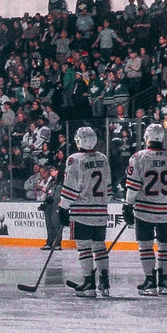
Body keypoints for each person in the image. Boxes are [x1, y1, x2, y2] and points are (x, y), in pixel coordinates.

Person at [124, 123, 167, 295]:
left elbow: (133, 187)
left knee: (146, 246)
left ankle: (150, 280)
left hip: (144, 210)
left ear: (147, 138)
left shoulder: (138, 157)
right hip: (166, 209)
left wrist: (128, 205)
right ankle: (164, 280)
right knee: (165, 246)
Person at [59, 126, 113, 296]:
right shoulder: (103, 158)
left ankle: (89, 283)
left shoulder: (74, 159)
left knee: (84, 247)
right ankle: (104, 283)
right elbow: (109, 189)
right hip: (100, 210)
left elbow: (71, 187)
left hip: (81, 211)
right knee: (99, 246)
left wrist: (63, 207)